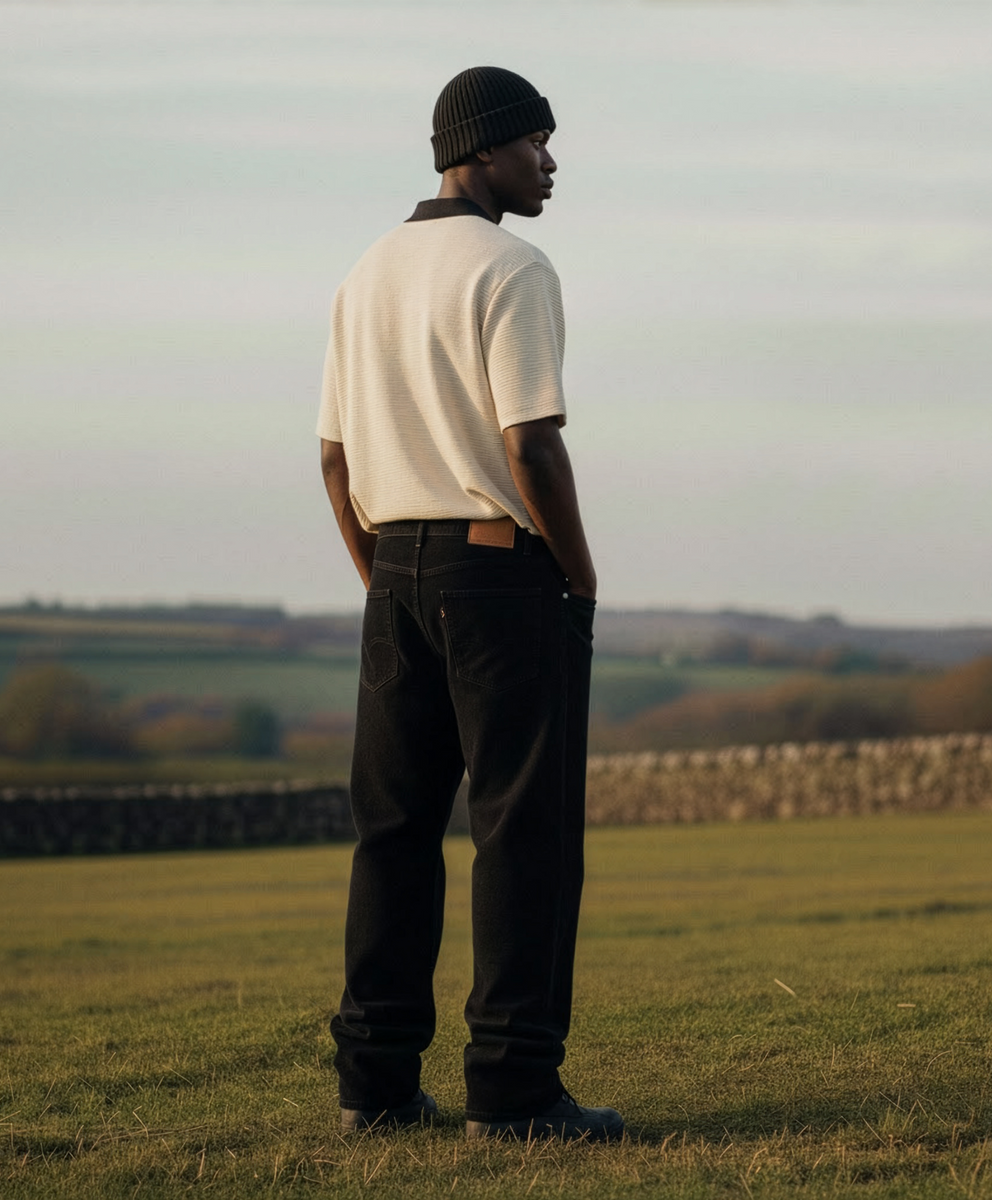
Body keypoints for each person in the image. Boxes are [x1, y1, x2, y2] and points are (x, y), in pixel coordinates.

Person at [317, 66, 623, 1142]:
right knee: (523, 834)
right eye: (537, 142)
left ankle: (377, 1087)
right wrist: (578, 577)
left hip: (393, 570)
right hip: (501, 577)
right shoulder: (513, 268)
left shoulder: (365, 273)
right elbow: (530, 441)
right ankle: (514, 1090)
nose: (550, 162)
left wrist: (387, 582)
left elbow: (333, 458)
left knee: (392, 835)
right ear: (484, 149)